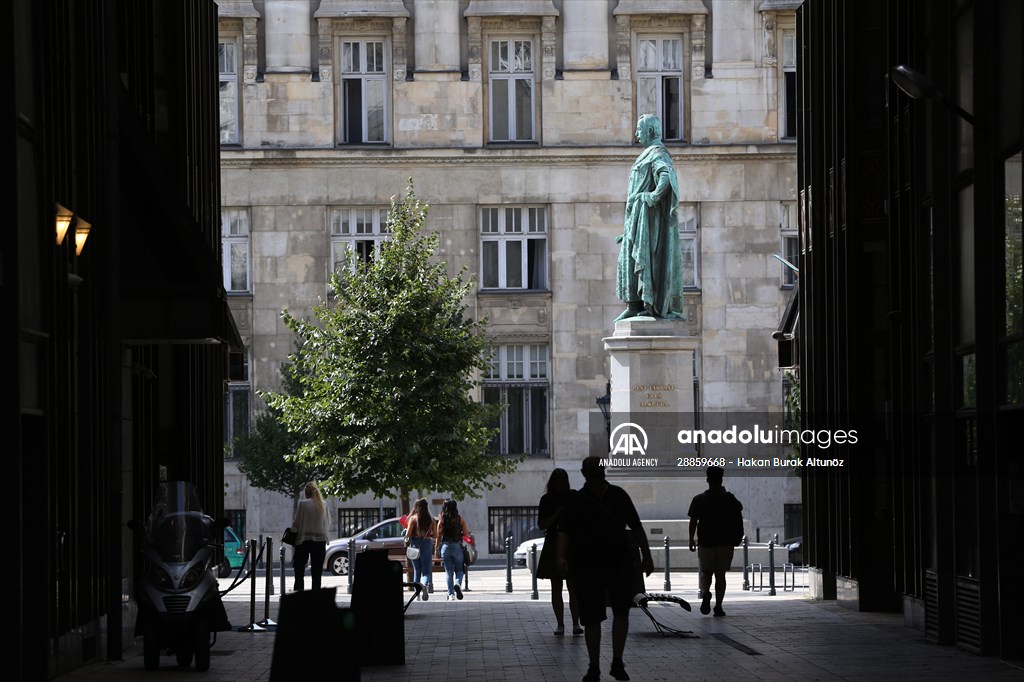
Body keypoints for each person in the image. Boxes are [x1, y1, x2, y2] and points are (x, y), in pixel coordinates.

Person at [557, 457, 653, 682]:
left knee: (606, 614)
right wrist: (646, 556)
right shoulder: (610, 496)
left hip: (603, 563)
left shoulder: (583, 499)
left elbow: (564, 532)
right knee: (601, 615)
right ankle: (605, 664)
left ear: (583, 472)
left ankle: (602, 665)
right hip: (599, 564)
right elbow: (637, 528)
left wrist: (561, 557)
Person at [615, 113, 686, 321]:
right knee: (628, 259)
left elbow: (666, 176)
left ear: (651, 131)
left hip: (648, 220)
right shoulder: (646, 154)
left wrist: (653, 197)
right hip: (636, 220)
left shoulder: (657, 152)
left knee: (645, 258)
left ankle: (649, 303)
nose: (636, 135)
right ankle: (634, 304)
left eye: (639, 130)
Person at [688, 465, 745, 617]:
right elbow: (740, 510)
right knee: (721, 575)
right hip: (725, 543)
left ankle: (706, 591)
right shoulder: (729, 499)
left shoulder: (699, 499)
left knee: (706, 573)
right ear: (721, 479)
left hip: (706, 542)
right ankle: (718, 606)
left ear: (707, 480)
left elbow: (693, 521)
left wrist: (691, 539)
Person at [535, 468, 582, 636]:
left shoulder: (570, 497)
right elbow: (542, 524)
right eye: (558, 481)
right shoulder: (549, 500)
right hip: (559, 543)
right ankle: (563, 624)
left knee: (570, 586)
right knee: (561, 586)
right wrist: (557, 514)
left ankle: (573, 623)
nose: (561, 484)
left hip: (563, 543)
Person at [289, 482, 329, 591]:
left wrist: (291, 533)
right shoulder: (324, 504)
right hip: (320, 541)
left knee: (299, 569)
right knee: (317, 572)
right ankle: (315, 596)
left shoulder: (303, 504)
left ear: (306, 493)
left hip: (304, 541)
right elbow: (327, 522)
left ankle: (299, 593)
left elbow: (297, 523)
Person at [434, 499, 469, 601]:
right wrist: (459, 534)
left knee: (448, 572)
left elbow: (438, 536)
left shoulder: (442, 520)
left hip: (445, 547)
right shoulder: (460, 519)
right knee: (459, 570)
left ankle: (451, 595)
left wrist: (437, 549)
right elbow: (466, 534)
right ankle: (457, 583)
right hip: (457, 546)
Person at [406, 498, 435, 600]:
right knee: (426, 572)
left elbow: (407, 535)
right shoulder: (431, 520)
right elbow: (435, 535)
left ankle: (417, 595)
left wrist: (407, 532)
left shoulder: (413, 519)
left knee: (417, 571)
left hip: (415, 545)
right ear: (426, 507)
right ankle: (424, 585)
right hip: (426, 544)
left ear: (416, 507)